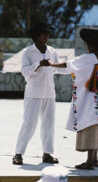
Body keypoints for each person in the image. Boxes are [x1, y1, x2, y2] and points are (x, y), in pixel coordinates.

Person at [46, 28, 98, 170]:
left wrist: (51, 64)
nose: (86, 47)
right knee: (97, 128)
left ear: (91, 46)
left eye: (86, 44)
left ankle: (89, 162)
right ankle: (94, 159)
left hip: (88, 103)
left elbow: (68, 65)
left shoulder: (86, 59)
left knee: (89, 127)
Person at [13, 22, 59, 165]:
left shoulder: (52, 51)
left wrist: (74, 68)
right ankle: (18, 153)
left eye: (47, 33)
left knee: (49, 125)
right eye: (44, 33)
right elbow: (24, 71)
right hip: (34, 93)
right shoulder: (28, 52)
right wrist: (39, 64)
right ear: (36, 36)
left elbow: (57, 68)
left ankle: (47, 154)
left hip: (49, 93)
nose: (47, 36)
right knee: (29, 124)